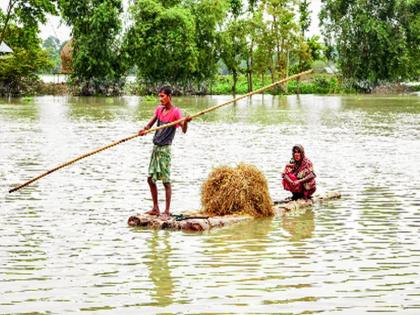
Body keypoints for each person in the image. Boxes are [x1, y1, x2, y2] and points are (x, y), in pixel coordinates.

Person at [138, 86, 191, 220]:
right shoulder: (159, 110)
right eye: (159, 96)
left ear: (169, 96)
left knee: (166, 181)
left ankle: (166, 211)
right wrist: (144, 130)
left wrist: (185, 122)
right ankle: (156, 208)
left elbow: (183, 130)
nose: (160, 99)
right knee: (150, 179)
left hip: (165, 149)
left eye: (162, 96)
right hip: (155, 148)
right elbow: (150, 124)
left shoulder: (176, 112)